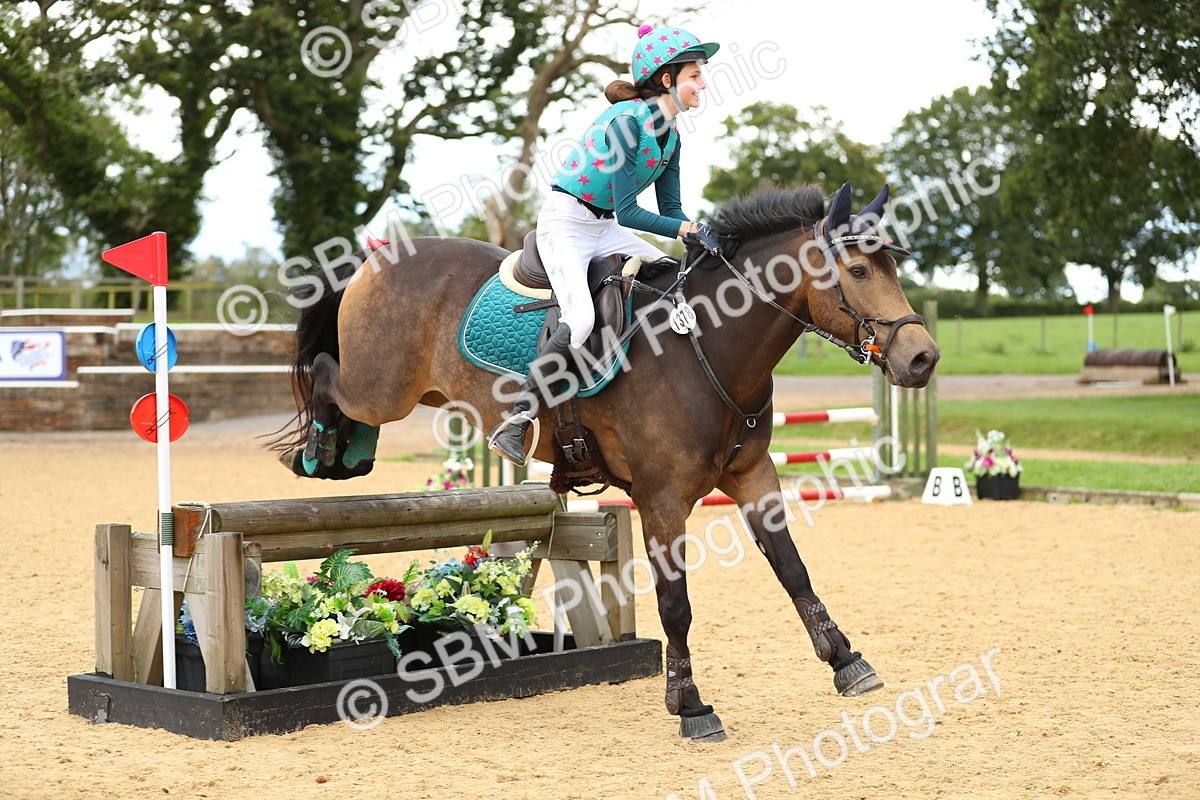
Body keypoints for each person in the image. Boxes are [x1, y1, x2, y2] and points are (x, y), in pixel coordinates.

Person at [487, 23, 723, 466]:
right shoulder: (626, 124)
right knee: (578, 321)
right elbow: (631, 212)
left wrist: (699, 231)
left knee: (675, 281)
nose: (703, 84)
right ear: (667, 80)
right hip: (566, 224)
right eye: (695, 75)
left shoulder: (672, 135)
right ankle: (516, 420)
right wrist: (686, 231)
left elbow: (671, 209)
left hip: (604, 226)